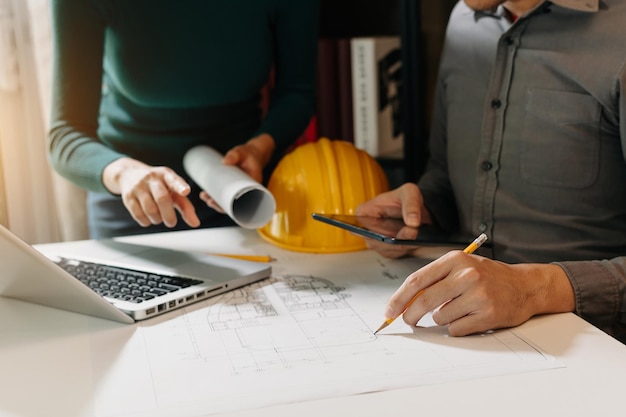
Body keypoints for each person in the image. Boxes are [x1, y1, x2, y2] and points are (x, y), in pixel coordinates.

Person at [356, 0, 626, 343]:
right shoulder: (463, 20)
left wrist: (532, 290)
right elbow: (445, 173)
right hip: (467, 337)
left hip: (596, 352)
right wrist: (421, 212)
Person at [48, 0, 319, 238]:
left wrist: (260, 148)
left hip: (239, 197)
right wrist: (126, 173)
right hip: (133, 205)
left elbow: (297, 94)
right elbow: (65, 135)